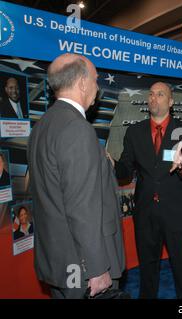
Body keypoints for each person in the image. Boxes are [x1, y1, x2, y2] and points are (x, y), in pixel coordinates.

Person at [27, 53, 125, 299]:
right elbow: (82, 207)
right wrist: (97, 267)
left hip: (57, 260)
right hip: (83, 266)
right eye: (95, 79)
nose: (97, 86)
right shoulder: (77, 129)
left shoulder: (42, 126)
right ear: (82, 83)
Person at [110, 82, 182, 299]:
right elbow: (125, 169)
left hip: (176, 213)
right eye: (151, 94)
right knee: (147, 271)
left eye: (160, 94)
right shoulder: (134, 132)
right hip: (145, 213)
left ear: (170, 102)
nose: (153, 98)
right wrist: (112, 164)